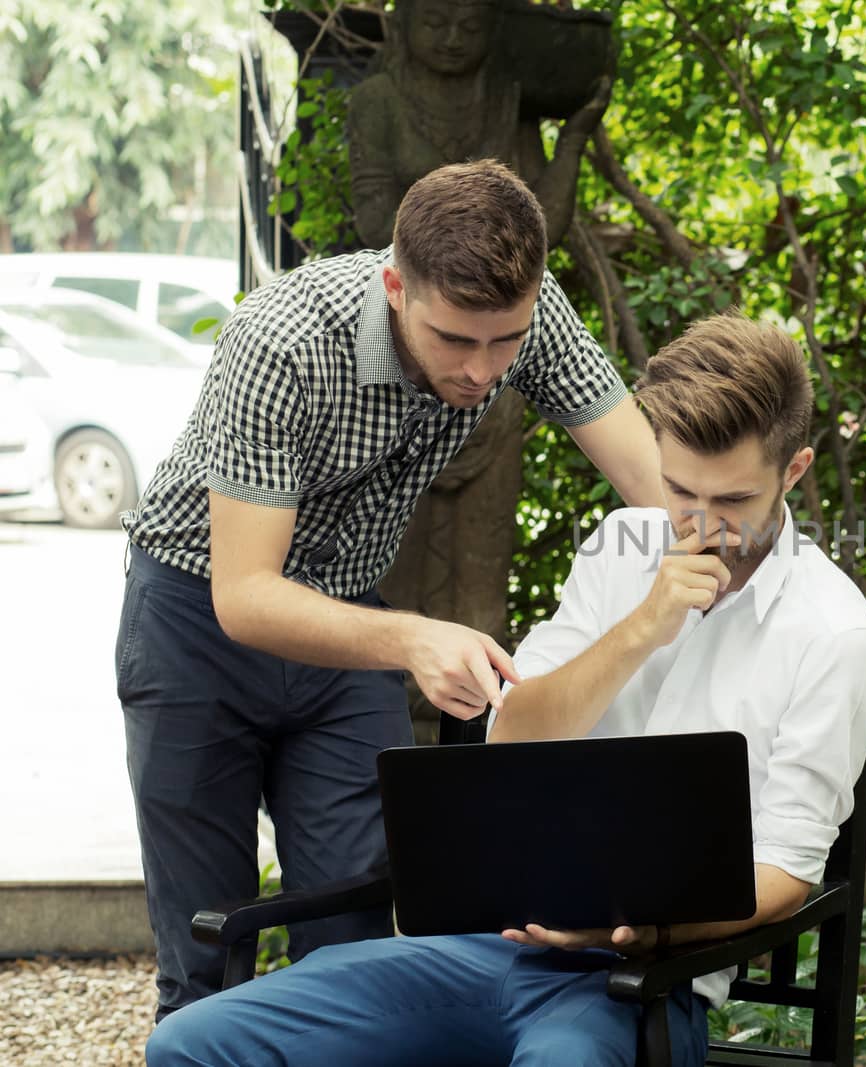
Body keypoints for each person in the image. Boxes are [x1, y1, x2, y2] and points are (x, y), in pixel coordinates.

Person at [143, 312, 866, 1067]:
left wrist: (624, 932)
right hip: (478, 948)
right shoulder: (620, 550)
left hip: (640, 982)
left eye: (730, 500)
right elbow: (515, 735)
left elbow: (787, 877)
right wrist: (641, 628)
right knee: (191, 1044)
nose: (698, 523)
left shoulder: (833, 635)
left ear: (792, 471)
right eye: (678, 488)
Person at [118, 159, 662, 1020]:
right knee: (206, 955)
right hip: (196, 624)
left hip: (346, 631)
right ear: (396, 286)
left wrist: (757, 555)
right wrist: (415, 640)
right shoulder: (282, 340)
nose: (484, 371)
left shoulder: (527, 313)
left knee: (361, 946)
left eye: (505, 342)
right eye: (456, 340)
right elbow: (246, 593)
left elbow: (658, 477)